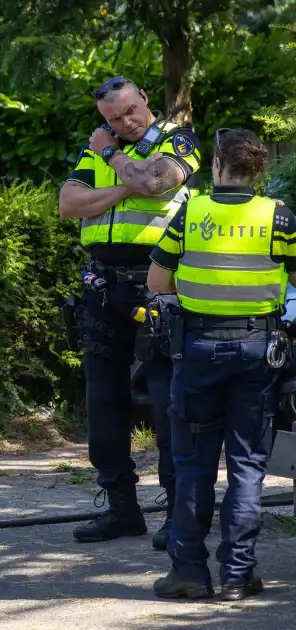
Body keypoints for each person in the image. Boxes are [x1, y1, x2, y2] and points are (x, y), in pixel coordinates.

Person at [147, 128, 291, 601]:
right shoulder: (281, 217)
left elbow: (157, 281)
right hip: (258, 352)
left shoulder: (191, 212)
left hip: (198, 351)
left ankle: (188, 571)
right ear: (259, 170)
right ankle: (237, 575)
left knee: (192, 465)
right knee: (248, 467)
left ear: (215, 165)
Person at [58, 75, 202, 547]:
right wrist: (123, 188)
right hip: (102, 286)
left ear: (144, 97)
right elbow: (68, 204)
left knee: (166, 403)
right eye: (113, 120)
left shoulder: (177, 140)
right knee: (102, 401)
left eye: (130, 111)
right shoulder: (99, 147)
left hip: (157, 286)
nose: (126, 123)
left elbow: (156, 182)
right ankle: (121, 509)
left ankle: (178, 512)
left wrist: (113, 158)